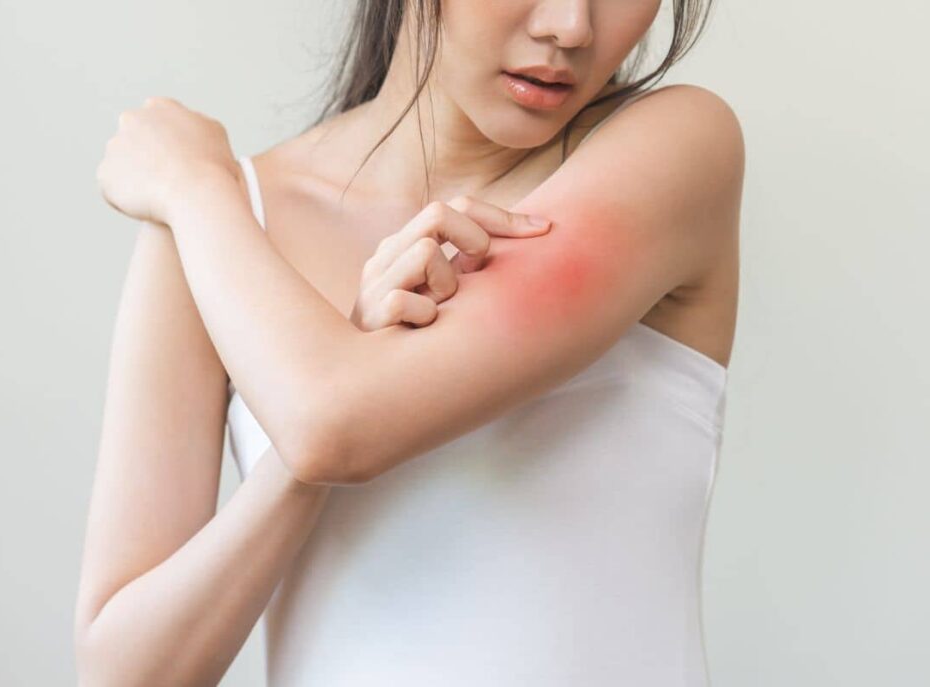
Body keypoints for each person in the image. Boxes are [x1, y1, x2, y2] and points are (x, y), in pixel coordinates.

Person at [78, 0, 744, 684]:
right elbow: (128, 673)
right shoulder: (225, 220)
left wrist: (189, 186)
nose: (569, 26)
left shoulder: (676, 151)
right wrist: (304, 451)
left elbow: (333, 421)